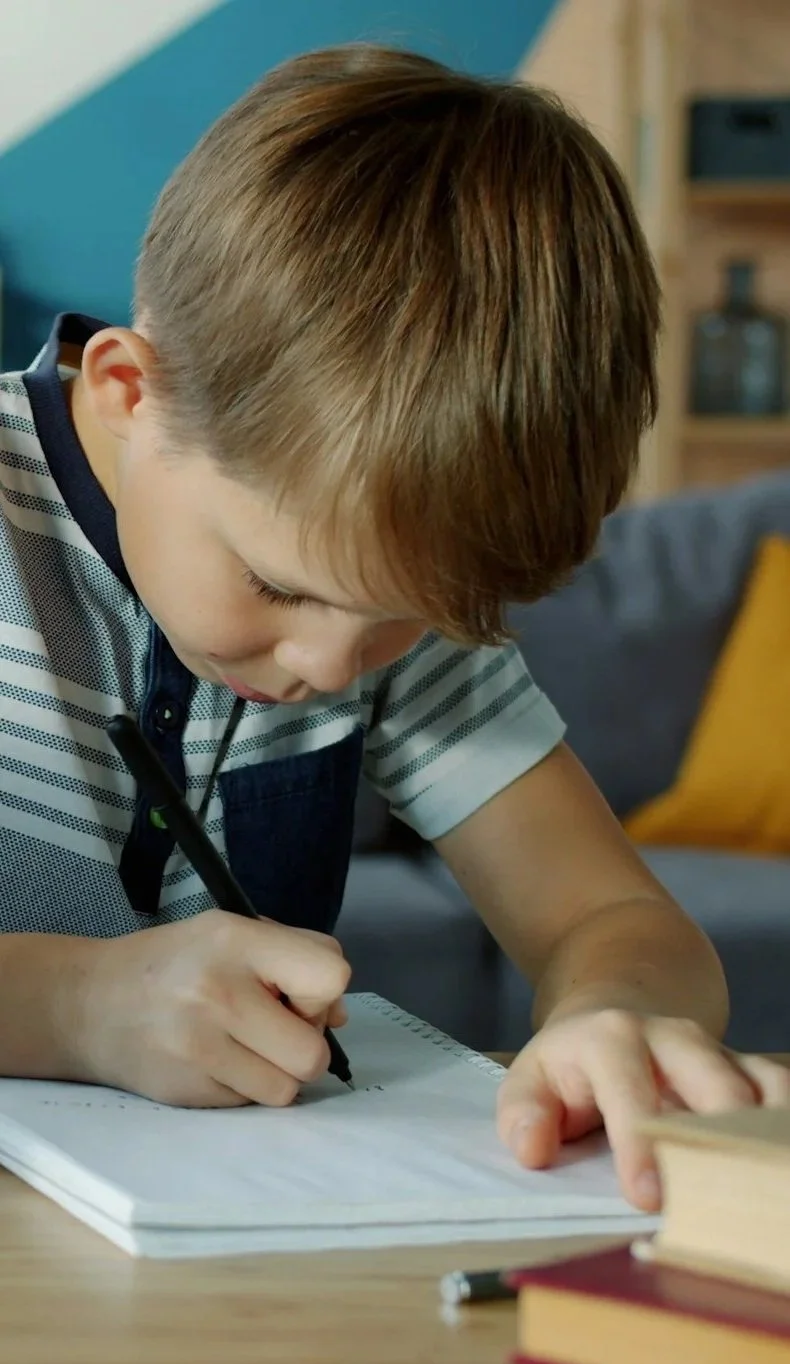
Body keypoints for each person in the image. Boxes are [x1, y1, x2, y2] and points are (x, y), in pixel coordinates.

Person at [0, 43, 786, 1213]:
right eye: (276, 584)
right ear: (127, 391)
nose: (328, 667)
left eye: (400, 622)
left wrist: (616, 1009)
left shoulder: (373, 607)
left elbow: (608, 913)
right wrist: (74, 1007)